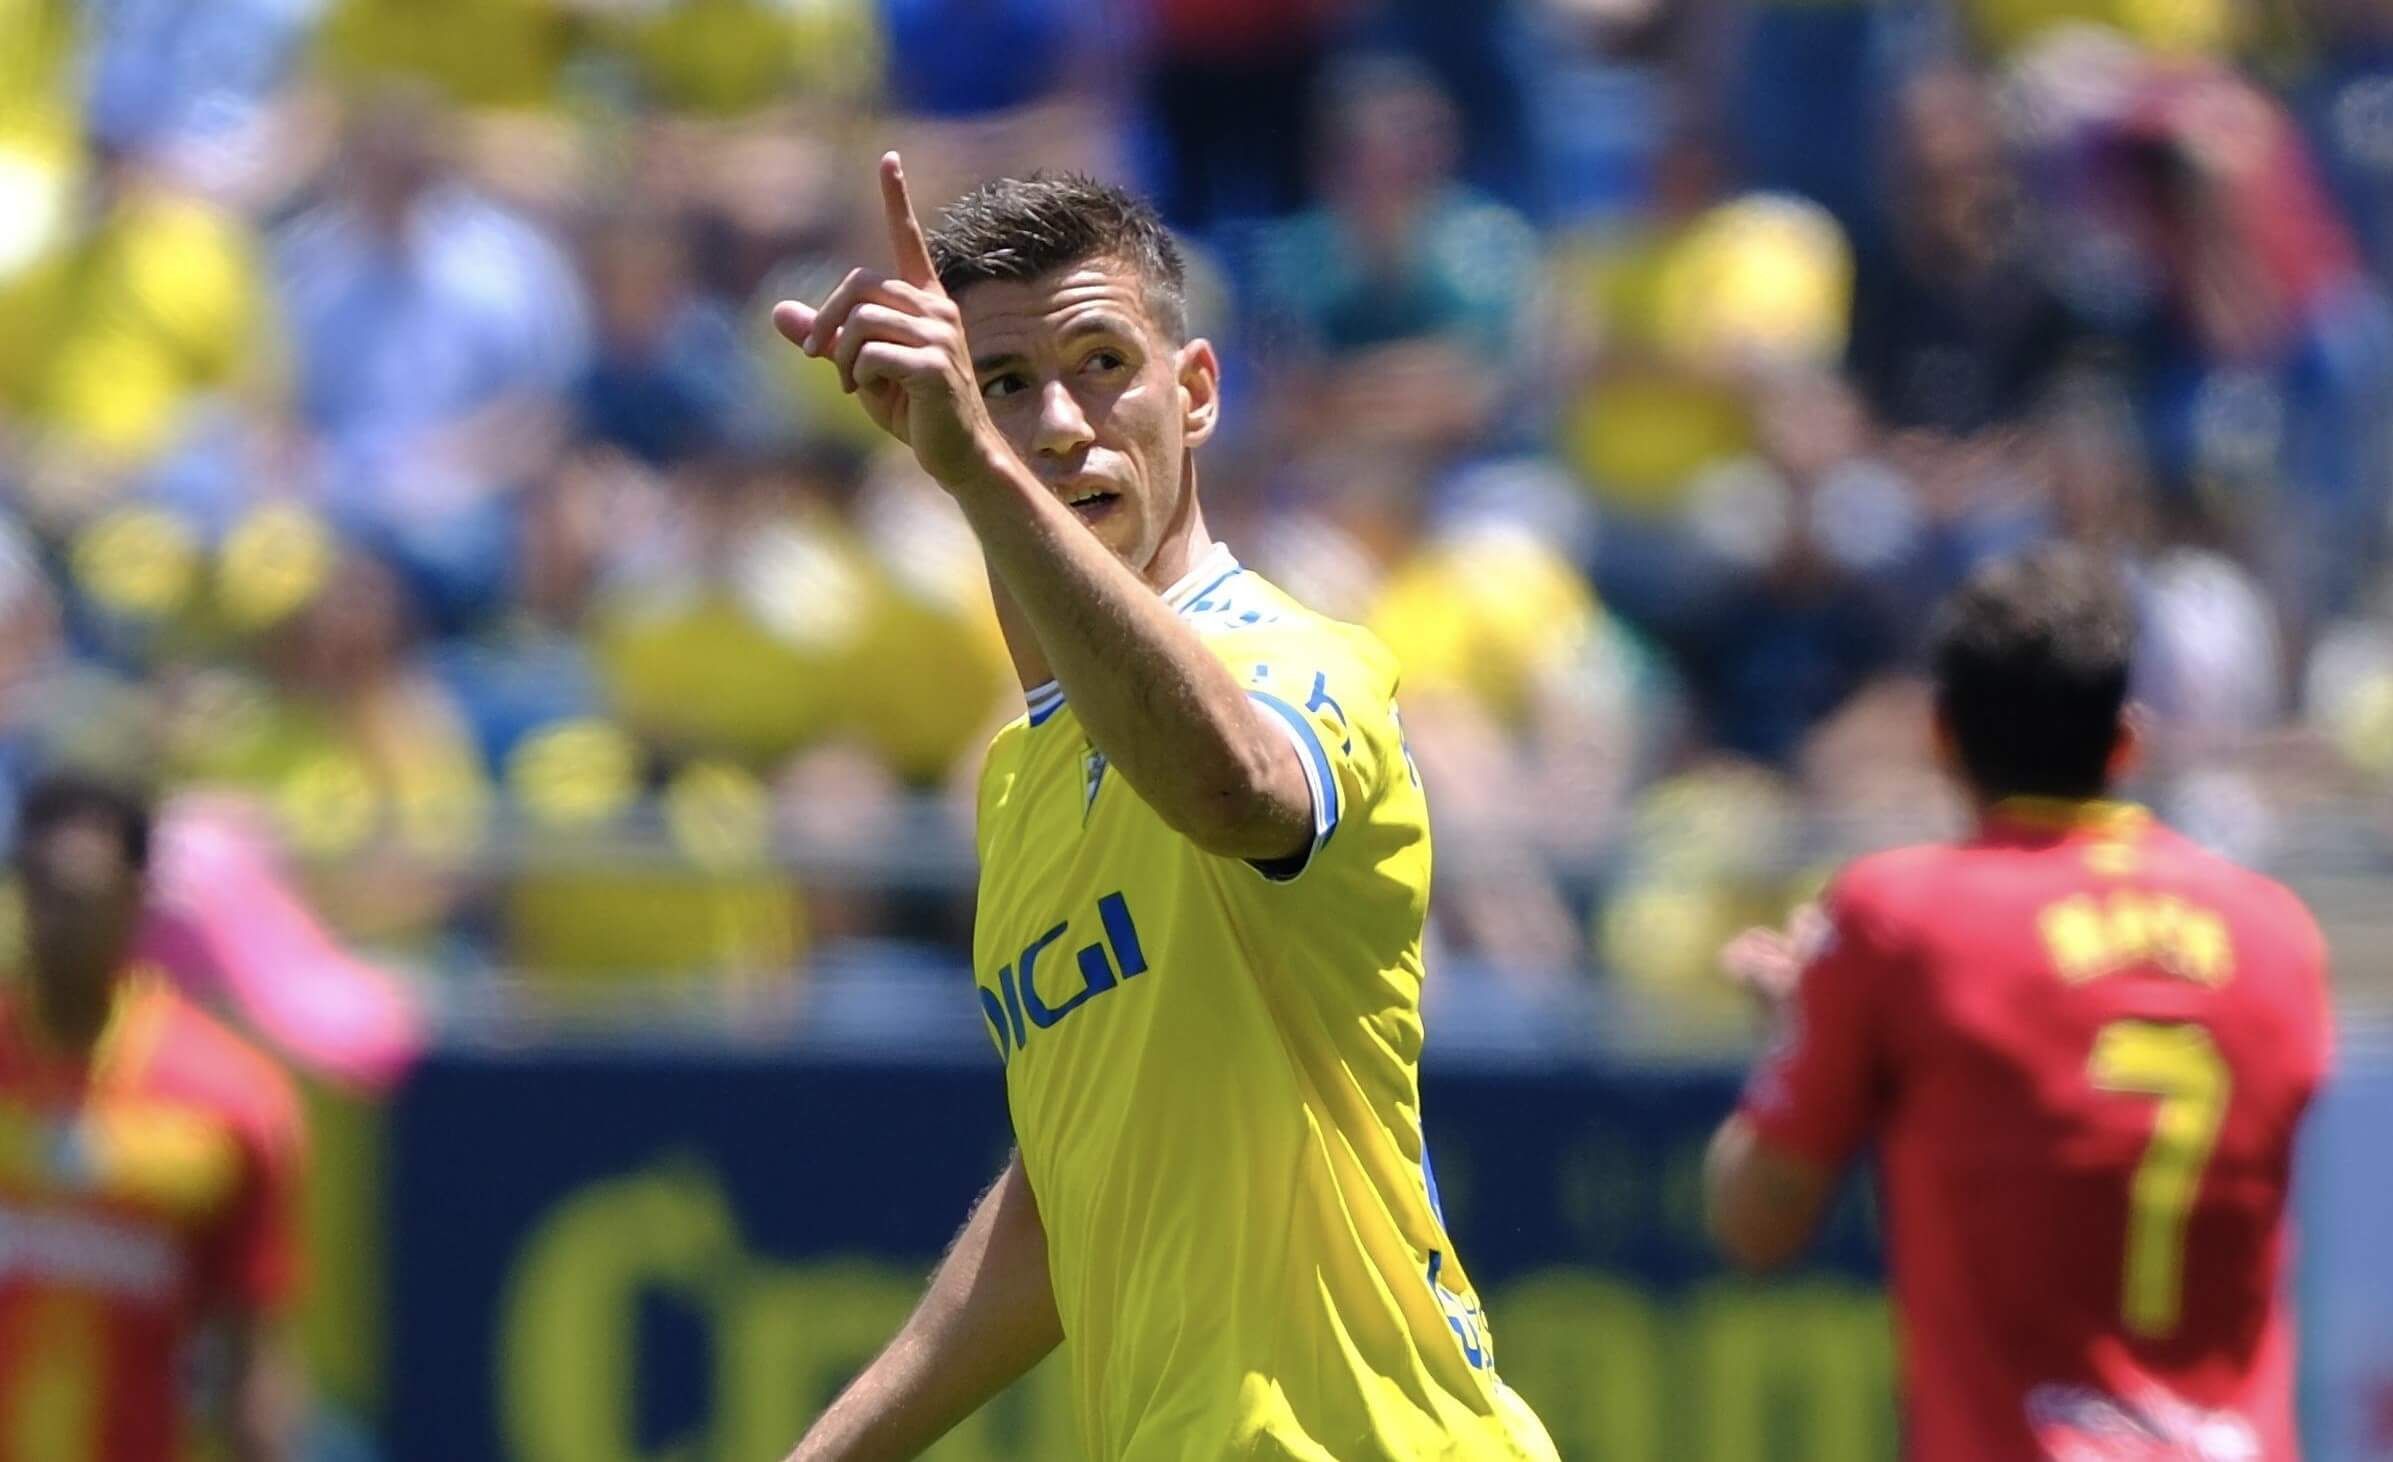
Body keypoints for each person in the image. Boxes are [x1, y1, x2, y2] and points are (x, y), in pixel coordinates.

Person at [773, 157, 1557, 1461]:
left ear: (1193, 394)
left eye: (1100, 363)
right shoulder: (1021, 779)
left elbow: (1234, 786)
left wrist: (982, 472)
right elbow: (1068, 1190)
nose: (1060, 425)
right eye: (1007, 386)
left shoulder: (1293, 657)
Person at [1703, 545, 2334, 1460]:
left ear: (1939, 736)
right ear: (2127, 739)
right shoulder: (2274, 935)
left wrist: (1807, 1030)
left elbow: (1753, 1221)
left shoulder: (1902, 923)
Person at [0, 773, 305, 1461]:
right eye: (42, 894)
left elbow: (251, 1339)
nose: (60, 922)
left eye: (84, 898)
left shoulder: (229, 1098)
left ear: (136, 897)